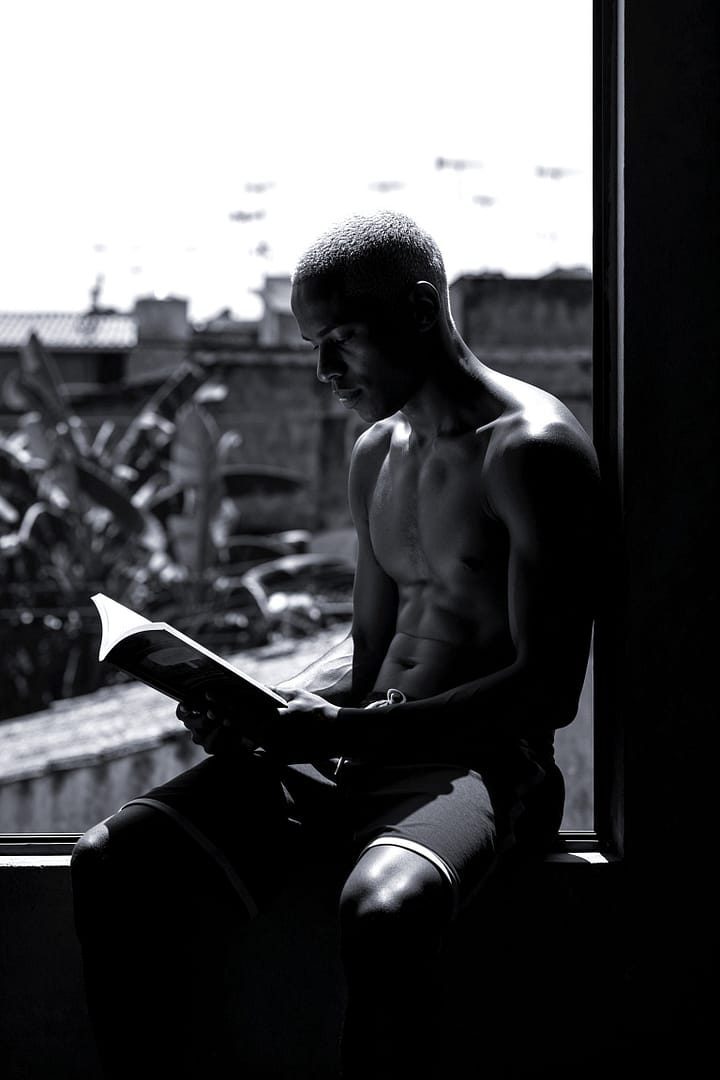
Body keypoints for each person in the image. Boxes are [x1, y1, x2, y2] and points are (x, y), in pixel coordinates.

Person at [71, 211, 602, 1079]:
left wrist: (342, 736)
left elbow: (546, 693)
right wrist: (268, 710)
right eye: (314, 342)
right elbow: (368, 643)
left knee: (386, 913)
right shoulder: (375, 454)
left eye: (342, 340)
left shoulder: (532, 451)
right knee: (113, 862)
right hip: (352, 749)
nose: (323, 370)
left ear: (423, 309)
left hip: (483, 763)